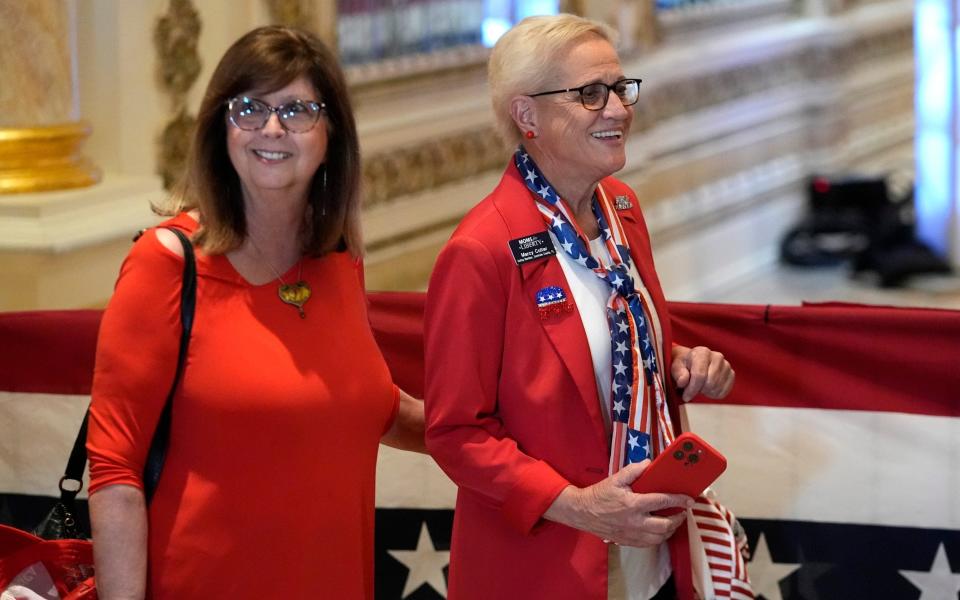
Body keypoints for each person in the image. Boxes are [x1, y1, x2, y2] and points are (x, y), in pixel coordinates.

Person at [86, 26, 425, 599]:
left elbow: (367, 404)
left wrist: (504, 431)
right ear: (222, 127)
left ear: (331, 133)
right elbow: (115, 470)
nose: (272, 128)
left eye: (297, 110)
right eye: (249, 108)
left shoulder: (339, 260)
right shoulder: (167, 264)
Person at [424, 14, 750, 600]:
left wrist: (680, 360)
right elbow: (455, 433)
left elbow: (607, 337)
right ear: (527, 116)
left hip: (649, 548)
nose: (619, 110)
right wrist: (577, 506)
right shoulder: (481, 250)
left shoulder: (620, 208)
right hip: (547, 562)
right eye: (591, 94)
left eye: (620, 89)